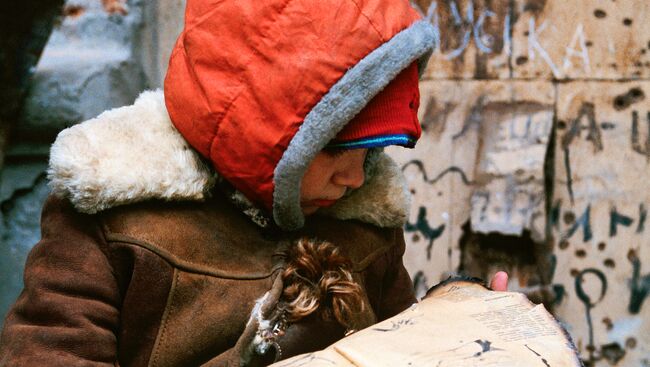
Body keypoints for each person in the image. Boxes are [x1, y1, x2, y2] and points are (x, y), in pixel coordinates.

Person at [0, 1, 507, 366]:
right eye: (336, 149)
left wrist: (470, 336)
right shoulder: (114, 213)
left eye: (372, 153)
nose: (355, 178)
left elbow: (395, 351)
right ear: (261, 135)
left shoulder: (365, 225)